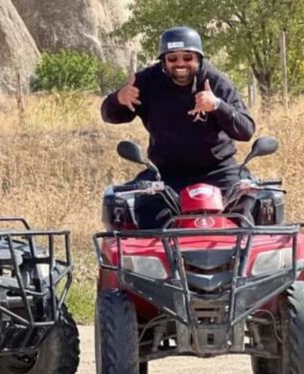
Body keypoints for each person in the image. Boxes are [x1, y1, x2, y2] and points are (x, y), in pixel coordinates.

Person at [101, 26, 256, 229]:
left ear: (199, 58)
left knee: (245, 202)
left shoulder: (216, 81)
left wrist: (218, 106)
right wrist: (118, 99)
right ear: (163, 61)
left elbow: (246, 130)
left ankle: (240, 258)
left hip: (218, 169)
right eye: (173, 59)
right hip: (166, 172)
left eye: (187, 57)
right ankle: (159, 259)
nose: (180, 64)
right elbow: (109, 115)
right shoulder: (146, 81)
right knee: (146, 213)